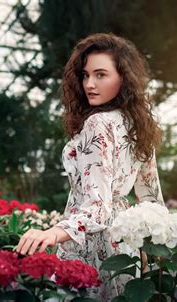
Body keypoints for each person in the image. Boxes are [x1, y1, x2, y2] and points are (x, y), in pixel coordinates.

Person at [16, 33, 164, 300]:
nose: (89, 84)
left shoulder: (98, 124)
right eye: (85, 75)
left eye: (100, 75)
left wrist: (53, 232)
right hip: (126, 244)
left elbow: (97, 206)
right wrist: (152, 249)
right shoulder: (140, 126)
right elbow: (151, 198)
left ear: (123, 77)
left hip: (92, 243)